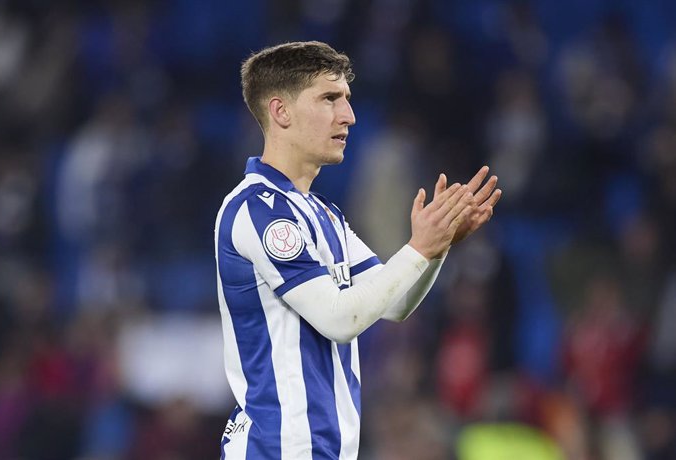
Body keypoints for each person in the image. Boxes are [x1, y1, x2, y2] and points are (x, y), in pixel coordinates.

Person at [214, 41, 501, 459]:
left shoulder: (324, 215)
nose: (348, 116)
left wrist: (435, 248)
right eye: (329, 99)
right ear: (281, 112)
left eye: (346, 100)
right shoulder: (259, 210)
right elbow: (339, 318)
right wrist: (418, 247)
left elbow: (396, 302)